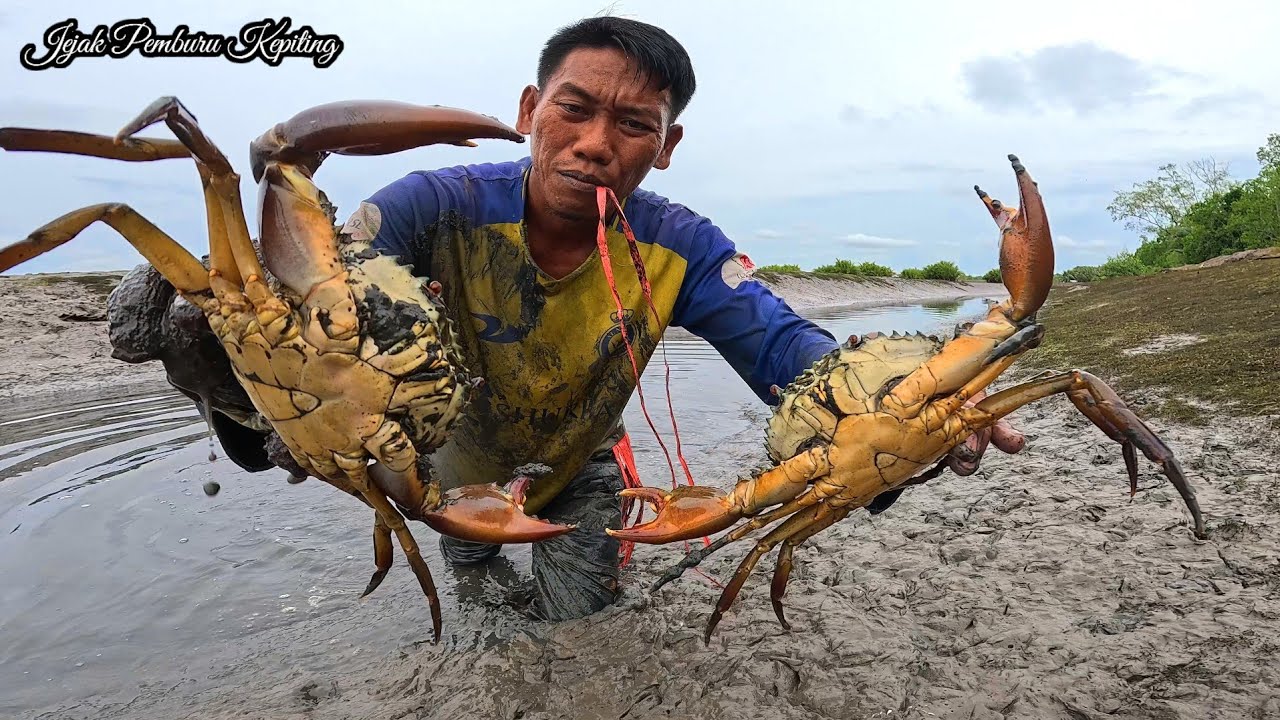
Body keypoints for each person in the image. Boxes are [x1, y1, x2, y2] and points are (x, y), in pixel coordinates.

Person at [326, 15, 1025, 622]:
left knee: (578, 628)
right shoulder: (428, 208)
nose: (595, 143)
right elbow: (318, 307)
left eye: (634, 125)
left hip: (579, 463)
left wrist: (896, 398)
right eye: (573, 108)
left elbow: (779, 342)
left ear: (666, 145)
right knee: (477, 584)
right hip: (451, 468)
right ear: (530, 108)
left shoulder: (681, 246)